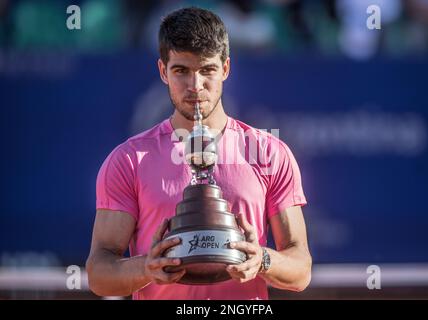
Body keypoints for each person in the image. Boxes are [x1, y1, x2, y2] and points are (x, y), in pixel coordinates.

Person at [86, 6, 312, 300]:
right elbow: (98, 274)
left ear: (226, 69)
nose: (195, 86)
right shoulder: (130, 159)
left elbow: (301, 270)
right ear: (163, 71)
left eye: (207, 70)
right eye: (181, 70)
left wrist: (262, 261)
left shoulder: (269, 153)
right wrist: (147, 268)